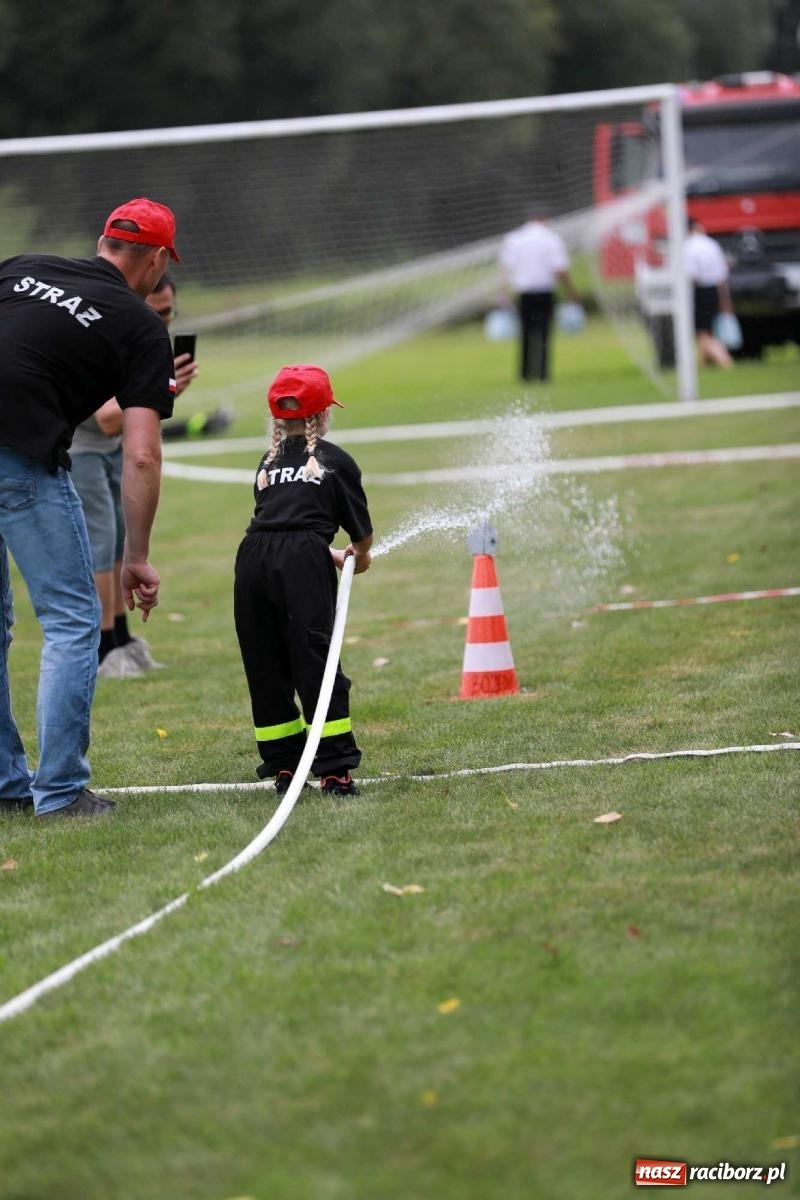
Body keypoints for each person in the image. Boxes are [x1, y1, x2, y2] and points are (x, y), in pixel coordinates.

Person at [0, 196, 179, 819]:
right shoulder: (140, 327)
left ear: (104, 241)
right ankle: (60, 792)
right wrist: (138, 556)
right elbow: (141, 456)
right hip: (19, 462)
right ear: (155, 259)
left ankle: (5, 787)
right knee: (74, 622)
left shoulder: (22, 267)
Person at [70, 273, 230, 679]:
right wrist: (166, 387)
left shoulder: (146, 344)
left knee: (123, 537)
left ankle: (124, 640)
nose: (162, 324)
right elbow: (106, 420)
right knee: (102, 542)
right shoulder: (106, 333)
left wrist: (165, 386)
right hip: (82, 447)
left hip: (110, 450)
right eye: (154, 313)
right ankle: (104, 647)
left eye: (168, 314)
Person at [233, 364, 373, 798]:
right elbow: (360, 535)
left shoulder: (267, 460)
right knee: (316, 661)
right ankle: (333, 770)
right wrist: (360, 556)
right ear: (322, 415)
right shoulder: (334, 461)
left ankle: (286, 766)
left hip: (252, 561)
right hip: (299, 565)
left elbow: (282, 524)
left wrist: (320, 553)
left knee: (267, 664)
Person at [499, 206, 582, 382]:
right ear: (544, 219)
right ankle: (543, 373)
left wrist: (504, 293)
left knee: (525, 334)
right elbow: (560, 269)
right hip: (544, 292)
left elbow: (506, 268)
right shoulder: (551, 239)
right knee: (544, 333)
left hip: (524, 293)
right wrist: (570, 290)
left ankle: (525, 374)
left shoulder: (515, 239)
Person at [684, 219, 735, 368]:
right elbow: (722, 275)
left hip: (699, 291)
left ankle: (725, 361)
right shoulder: (712, 244)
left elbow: (692, 275)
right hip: (714, 290)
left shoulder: (688, 247)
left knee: (702, 332)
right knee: (706, 330)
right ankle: (702, 365)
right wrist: (725, 299)